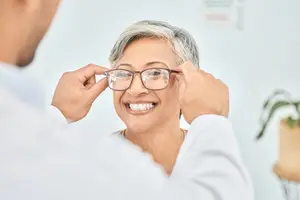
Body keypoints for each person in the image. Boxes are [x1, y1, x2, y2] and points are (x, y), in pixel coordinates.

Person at [0, 1, 254, 200]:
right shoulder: (96, 162)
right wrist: (211, 120)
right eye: (124, 73)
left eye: (155, 73)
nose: (135, 89)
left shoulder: (205, 152)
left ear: (187, 82)